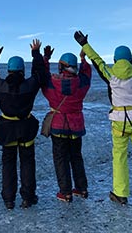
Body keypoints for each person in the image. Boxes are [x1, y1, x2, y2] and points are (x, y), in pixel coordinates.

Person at [75, 29, 132, 205]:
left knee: (119, 156)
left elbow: (97, 60)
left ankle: (120, 193)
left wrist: (84, 44)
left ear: (114, 60)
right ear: (130, 60)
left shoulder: (111, 74)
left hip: (119, 121)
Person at [0, 39, 48, 209]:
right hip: (26, 129)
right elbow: (40, 75)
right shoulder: (29, 85)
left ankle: (8, 199)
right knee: (27, 163)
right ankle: (28, 197)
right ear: (22, 70)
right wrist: (36, 54)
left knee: (8, 164)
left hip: (7, 130)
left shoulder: (1, 86)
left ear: (9, 70)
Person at [39, 48, 92, 203]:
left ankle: (65, 192)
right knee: (76, 157)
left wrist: (45, 59)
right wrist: (83, 60)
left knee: (60, 159)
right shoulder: (81, 84)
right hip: (76, 127)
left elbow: (43, 78)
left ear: (61, 67)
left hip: (58, 127)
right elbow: (87, 75)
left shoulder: (52, 84)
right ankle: (81, 189)